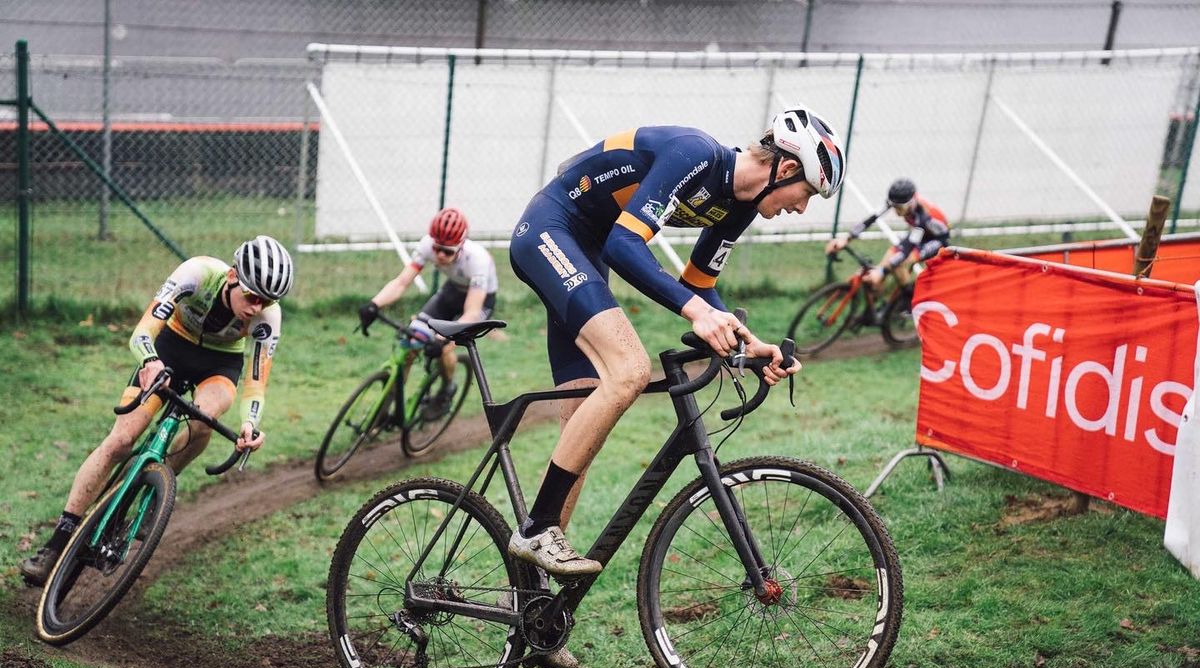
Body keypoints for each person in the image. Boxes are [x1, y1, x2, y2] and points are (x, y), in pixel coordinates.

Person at [506, 104, 844, 578]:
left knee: (580, 428)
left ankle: (526, 606)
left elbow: (700, 283)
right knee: (629, 371)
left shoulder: (740, 204)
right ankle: (537, 530)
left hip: (587, 251)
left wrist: (749, 344)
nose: (801, 207)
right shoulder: (696, 155)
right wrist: (698, 313)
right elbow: (625, 246)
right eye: (805, 193)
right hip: (551, 229)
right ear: (785, 169)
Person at [20, 236, 294, 586]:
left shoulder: (268, 316)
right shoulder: (197, 273)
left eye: (266, 300)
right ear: (231, 277)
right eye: (252, 296)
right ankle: (56, 542)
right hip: (169, 347)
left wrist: (249, 424)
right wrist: (150, 362)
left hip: (219, 364)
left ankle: (156, 490)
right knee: (120, 440)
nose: (257, 308)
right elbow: (142, 333)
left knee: (204, 421)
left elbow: (256, 381)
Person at [357, 207, 497, 420]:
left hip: (479, 301)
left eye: (448, 251)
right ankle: (388, 406)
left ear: (461, 246)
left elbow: (471, 312)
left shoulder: (477, 260)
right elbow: (402, 282)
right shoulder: (426, 246)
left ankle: (446, 389)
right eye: (437, 248)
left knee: (446, 347)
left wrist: (441, 340)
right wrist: (375, 304)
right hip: (451, 292)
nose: (440, 255)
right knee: (409, 344)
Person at [825, 177, 950, 289]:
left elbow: (907, 248)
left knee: (899, 264)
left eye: (899, 208)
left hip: (936, 240)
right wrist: (846, 239)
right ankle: (879, 301)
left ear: (911, 203)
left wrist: (882, 272)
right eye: (894, 206)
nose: (896, 211)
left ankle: (908, 304)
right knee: (887, 260)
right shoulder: (898, 201)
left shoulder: (922, 216)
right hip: (919, 234)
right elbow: (871, 218)